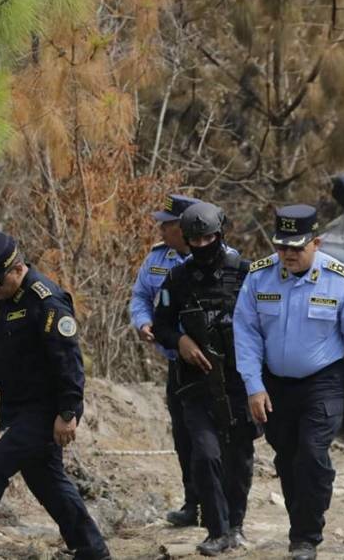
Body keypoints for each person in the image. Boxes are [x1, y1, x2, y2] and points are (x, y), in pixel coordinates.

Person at [0, 232, 109, 560]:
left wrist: (68, 412)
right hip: (19, 407)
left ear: (17, 270)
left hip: (47, 409)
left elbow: (69, 361)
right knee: (47, 482)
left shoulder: (47, 302)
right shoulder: (0, 295)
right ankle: (92, 550)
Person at [233, 205, 344, 560]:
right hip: (276, 383)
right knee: (287, 458)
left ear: (316, 242)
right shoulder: (259, 276)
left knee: (312, 455)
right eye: (282, 246)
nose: (288, 254)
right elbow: (246, 333)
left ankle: (306, 536)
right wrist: (253, 385)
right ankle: (302, 519)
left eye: (297, 248)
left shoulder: (339, 277)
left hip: (324, 381)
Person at [153, 202, 258, 556]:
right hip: (196, 382)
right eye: (194, 240)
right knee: (205, 454)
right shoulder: (176, 278)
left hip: (239, 379)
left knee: (240, 456)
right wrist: (180, 341)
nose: (201, 246)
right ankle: (216, 529)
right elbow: (162, 323)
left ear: (220, 234)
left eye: (208, 238)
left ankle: (236, 525)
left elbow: (266, 322)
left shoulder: (245, 273)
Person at [129, 193, 201, 526]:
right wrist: (143, 321)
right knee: (184, 436)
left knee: (212, 438)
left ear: (185, 228)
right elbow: (141, 296)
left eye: (167, 224)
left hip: (212, 364)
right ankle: (193, 502)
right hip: (175, 362)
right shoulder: (158, 258)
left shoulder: (220, 260)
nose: (160, 229)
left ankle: (224, 506)